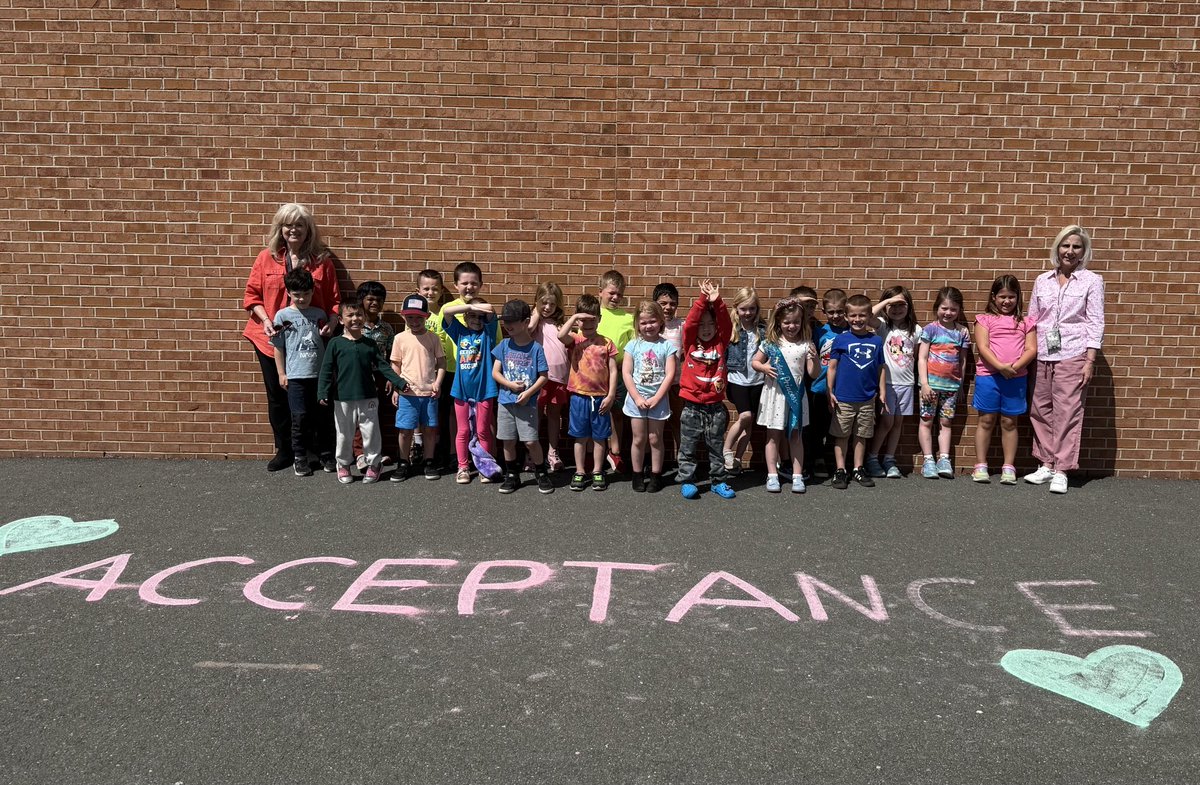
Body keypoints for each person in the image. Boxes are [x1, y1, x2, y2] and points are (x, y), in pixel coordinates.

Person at [241, 203, 340, 471]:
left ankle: (313, 450)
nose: (293, 229)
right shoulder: (266, 258)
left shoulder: (322, 261)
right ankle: (284, 450)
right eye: (288, 225)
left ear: (308, 230)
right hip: (272, 341)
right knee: (277, 395)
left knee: (314, 396)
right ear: (280, 229)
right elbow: (252, 296)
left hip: (310, 342)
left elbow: (333, 300)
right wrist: (265, 321)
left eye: (299, 224)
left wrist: (331, 322)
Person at [1024, 225, 1105, 494]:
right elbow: (1032, 320)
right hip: (1043, 354)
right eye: (1065, 245)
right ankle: (1046, 463)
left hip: (1073, 353)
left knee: (1067, 411)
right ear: (1057, 249)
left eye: (1076, 247)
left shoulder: (1092, 281)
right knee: (1040, 409)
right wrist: (1028, 352)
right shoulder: (1042, 280)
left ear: (1083, 252)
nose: (1070, 251)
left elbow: (1095, 321)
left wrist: (1089, 360)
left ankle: (1062, 469)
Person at [317, 298, 407, 485]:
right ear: (341, 319)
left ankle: (374, 464)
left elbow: (383, 366)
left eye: (359, 314)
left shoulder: (369, 344)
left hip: (368, 395)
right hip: (342, 398)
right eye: (350, 315)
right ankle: (342, 465)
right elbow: (326, 369)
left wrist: (398, 381)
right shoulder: (335, 343)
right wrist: (322, 392)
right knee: (344, 433)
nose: (355, 318)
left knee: (371, 432)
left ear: (364, 317)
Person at [972, 276, 1037, 485]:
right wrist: (1000, 367)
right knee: (986, 420)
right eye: (1002, 297)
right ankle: (980, 465)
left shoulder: (1026, 322)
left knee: (1010, 422)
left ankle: (1008, 466)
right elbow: (983, 347)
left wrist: (1015, 368)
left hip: (1016, 378)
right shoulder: (984, 319)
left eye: (1011, 297)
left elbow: (1031, 349)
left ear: (1018, 298)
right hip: (989, 377)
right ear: (994, 297)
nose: (1006, 301)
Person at [270, 268, 333, 476]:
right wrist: (281, 373)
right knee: (299, 417)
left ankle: (325, 454)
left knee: (322, 417)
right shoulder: (282, 316)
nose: (302, 298)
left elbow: (326, 341)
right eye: (297, 294)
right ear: (288, 292)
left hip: (319, 376)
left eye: (306, 293)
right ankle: (300, 457)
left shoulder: (319, 314)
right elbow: (278, 347)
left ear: (312, 291)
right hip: (296, 376)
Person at [677, 280, 735, 500]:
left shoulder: (720, 342)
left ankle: (718, 482)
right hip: (692, 406)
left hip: (715, 407)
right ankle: (688, 481)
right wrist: (702, 300)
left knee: (716, 447)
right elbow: (691, 322)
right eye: (702, 325)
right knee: (688, 447)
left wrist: (717, 302)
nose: (706, 328)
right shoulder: (690, 343)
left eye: (710, 324)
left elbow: (726, 324)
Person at [753, 297, 816, 494]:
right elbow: (755, 362)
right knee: (773, 436)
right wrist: (764, 367)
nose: (792, 326)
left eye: (796, 322)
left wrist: (815, 358)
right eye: (787, 322)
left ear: (802, 322)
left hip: (796, 395)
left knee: (796, 436)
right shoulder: (771, 343)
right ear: (779, 322)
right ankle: (772, 474)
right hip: (775, 395)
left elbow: (813, 374)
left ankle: (797, 476)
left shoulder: (806, 344)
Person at [826, 294, 888, 490]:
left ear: (869, 316)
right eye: (853, 315)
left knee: (861, 435)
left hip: (867, 397)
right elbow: (832, 367)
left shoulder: (876, 341)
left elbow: (881, 368)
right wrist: (830, 391)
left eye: (862, 316)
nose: (857, 320)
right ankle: (840, 470)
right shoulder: (841, 339)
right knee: (842, 435)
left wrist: (882, 391)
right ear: (846, 316)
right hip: (844, 397)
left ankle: (858, 468)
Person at [491, 300, 553, 494]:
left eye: (513, 321)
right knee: (507, 440)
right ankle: (512, 475)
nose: (508, 325)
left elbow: (544, 376)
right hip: (505, 402)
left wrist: (528, 393)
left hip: (527, 403)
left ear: (526, 322)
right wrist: (509, 385)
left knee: (530, 441)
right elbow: (496, 373)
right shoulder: (503, 345)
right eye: (505, 321)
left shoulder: (535, 348)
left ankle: (541, 472)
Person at [559, 295, 618, 491]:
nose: (588, 323)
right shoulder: (575, 339)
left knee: (600, 437)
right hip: (578, 396)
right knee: (580, 437)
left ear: (599, 319)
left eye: (592, 319)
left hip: (600, 397)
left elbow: (613, 370)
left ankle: (598, 471)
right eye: (584, 320)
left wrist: (610, 395)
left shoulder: (606, 343)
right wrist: (575, 316)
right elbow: (561, 336)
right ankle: (580, 471)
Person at [441, 299, 501, 484]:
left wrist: (479, 310)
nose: (476, 319)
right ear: (466, 317)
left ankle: (484, 467)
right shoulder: (460, 332)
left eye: (479, 316)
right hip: (461, 391)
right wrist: (469, 307)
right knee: (463, 431)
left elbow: (491, 309)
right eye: (472, 316)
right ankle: (463, 467)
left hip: (484, 389)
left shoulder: (487, 334)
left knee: (483, 430)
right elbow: (447, 313)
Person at [621, 302, 679, 492]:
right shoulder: (632, 345)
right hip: (636, 400)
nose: (648, 326)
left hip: (658, 399)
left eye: (652, 321)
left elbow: (669, 374)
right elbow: (627, 373)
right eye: (644, 322)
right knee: (638, 439)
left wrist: (657, 398)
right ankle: (637, 474)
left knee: (655, 438)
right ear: (637, 323)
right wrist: (637, 397)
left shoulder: (666, 346)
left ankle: (655, 474)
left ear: (660, 321)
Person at [389, 294, 446, 482]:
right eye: (410, 317)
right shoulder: (400, 338)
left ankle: (429, 461)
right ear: (403, 316)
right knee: (405, 430)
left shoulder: (433, 338)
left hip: (429, 392)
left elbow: (442, 363)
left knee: (430, 429)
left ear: (427, 317)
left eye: (419, 317)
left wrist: (437, 383)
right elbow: (395, 365)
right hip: (407, 393)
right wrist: (397, 387)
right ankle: (403, 462)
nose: (414, 321)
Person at [917, 287, 971, 480]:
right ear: (936, 308)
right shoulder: (930, 329)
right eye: (944, 308)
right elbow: (922, 358)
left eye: (953, 309)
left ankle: (944, 459)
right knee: (926, 420)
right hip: (930, 386)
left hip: (951, 388)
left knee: (946, 422)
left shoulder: (962, 332)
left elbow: (963, 361)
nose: (948, 313)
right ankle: (928, 460)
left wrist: (961, 385)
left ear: (959, 311)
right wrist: (924, 383)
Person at [865, 286, 918, 479]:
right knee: (886, 422)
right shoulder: (882, 326)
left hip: (907, 384)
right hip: (886, 384)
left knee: (897, 423)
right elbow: (867, 315)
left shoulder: (916, 331)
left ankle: (889, 459)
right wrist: (887, 302)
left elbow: (917, 357)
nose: (896, 309)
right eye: (892, 305)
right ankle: (872, 458)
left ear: (909, 306)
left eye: (901, 304)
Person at [805, 288, 848, 478]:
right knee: (818, 428)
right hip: (820, 387)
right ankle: (818, 459)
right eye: (831, 312)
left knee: (842, 427)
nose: (836, 315)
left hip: (845, 388)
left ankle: (844, 463)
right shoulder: (820, 331)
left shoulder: (852, 331)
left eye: (840, 311)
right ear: (824, 312)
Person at [596, 270, 636, 474]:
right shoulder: (593, 315)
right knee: (595, 412)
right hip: (593, 373)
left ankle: (615, 450)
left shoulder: (627, 318)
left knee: (616, 412)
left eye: (619, 294)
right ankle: (596, 453)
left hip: (617, 372)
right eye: (611, 293)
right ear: (600, 291)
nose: (615, 297)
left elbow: (632, 347)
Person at [354, 280, 397, 469]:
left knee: (379, 414)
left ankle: (378, 452)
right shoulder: (354, 325)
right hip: (359, 376)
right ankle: (360, 454)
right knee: (359, 416)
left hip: (380, 376)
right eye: (370, 299)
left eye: (379, 300)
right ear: (361, 300)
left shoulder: (386, 328)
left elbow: (391, 355)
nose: (375, 303)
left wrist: (389, 377)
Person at [723, 286, 765, 475]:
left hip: (758, 382)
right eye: (743, 309)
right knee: (745, 416)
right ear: (736, 308)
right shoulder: (731, 329)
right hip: (737, 380)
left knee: (750, 423)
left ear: (757, 309)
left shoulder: (762, 330)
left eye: (752, 309)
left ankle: (738, 460)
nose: (747, 313)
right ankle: (726, 451)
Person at [529, 281, 568, 472]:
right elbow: (527, 331)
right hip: (538, 377)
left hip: (559, 378)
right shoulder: (534, 323)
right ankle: (532, 453)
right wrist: (535, 313)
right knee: (534, 416)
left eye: (552, 304)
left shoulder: (560, 323)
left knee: (554, 416)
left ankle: (553, 452)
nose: (547, 308)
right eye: (543, 303)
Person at [417, 268, 454, 471]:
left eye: (435, 289)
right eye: (426, 289)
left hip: (445, 370)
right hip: (423, 371)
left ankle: (444, 450)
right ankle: (421, 447)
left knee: (445, 411)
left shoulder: (445, 314)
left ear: (441, 291)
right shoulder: (415, 316)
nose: (430, 292)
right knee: (425, 412)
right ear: (418, 290)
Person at [653, 282, 685, 465]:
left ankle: (682, 460)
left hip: (675, 384)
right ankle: (654, 462)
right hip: (653, 386)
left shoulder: (681, 325)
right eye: (663, 303)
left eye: (672, 303)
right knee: (655, 426)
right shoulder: (649, 325)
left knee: (677, 422)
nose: (668, 307)